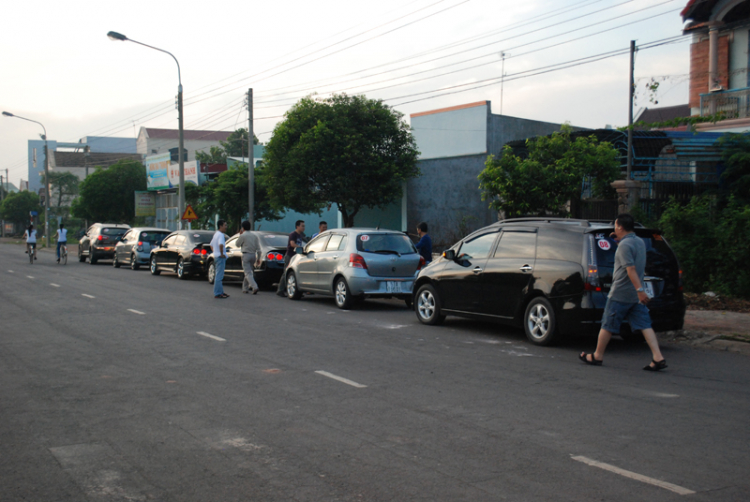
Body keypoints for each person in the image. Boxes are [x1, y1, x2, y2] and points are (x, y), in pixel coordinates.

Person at [579, 213, 668, 371]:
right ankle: (658, 357)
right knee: (645, 324)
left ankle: (597, 355)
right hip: (634, 295)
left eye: (615, 226)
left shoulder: (624, 246)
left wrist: (639, 290)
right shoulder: (639, 241)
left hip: (621, 292)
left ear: (620, 226)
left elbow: (630, 269)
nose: (614, 228)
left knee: (607, 324)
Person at [276, 220, 306, 296]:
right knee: (286, 272)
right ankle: (280, 290)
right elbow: (292, 244)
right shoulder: (293, 234)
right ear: (297, 226)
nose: (303, 227)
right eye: (302, 226)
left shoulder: (300, 235)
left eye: (304, 226)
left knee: (294, 274)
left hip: (296, 257)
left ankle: (295, 290)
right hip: (290, 256)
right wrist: (300, 247)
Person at [235, 220, 260, 295]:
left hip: (246, 255)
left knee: (247, 272)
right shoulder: (254, 236)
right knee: (249, 271)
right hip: (253, 255)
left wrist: (240, 235)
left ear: (242, 228)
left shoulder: (243, 235)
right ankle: (245, 288)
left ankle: (254, 287)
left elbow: (237, 244)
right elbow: (258, 248)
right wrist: (258, 258)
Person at [210, 220, 229, 299]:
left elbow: (211, 244)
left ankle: (220, 292)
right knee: (219, 276)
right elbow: (221, 244)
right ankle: (218, 293)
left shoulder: (216, 234)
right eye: (225, 225)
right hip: (220, 257)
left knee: (219, 275)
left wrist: (215, 252)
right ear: (220, 226)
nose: (226, 227)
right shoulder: (221, 235)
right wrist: (221, 253)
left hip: (216, 256)